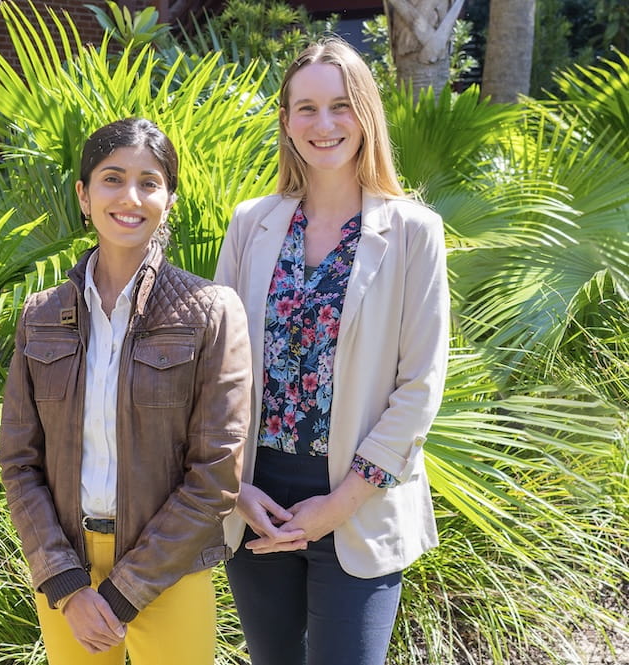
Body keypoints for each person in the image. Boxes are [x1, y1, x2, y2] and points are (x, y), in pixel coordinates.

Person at [213, 37, 450, 665]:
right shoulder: (251, 224)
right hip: (258, 502)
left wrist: (338, 505)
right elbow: (218, 373)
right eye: (306, 108)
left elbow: (420, 387)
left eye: (341, 106)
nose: (324, 125)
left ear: (366, 113)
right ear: (286, 122)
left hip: (358, 502)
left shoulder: (412, 232)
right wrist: (235, 485)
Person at [0, 117, 252, 664]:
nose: (130, 196)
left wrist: (122, 593)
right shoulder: (41, 315)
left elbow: (216, 475)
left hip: (170, 569)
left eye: (149, 181)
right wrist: (67, 583)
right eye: (112, 179)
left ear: (169, 199)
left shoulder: (210, 311)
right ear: (84, 196)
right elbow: (19, 462)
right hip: (68, 574)